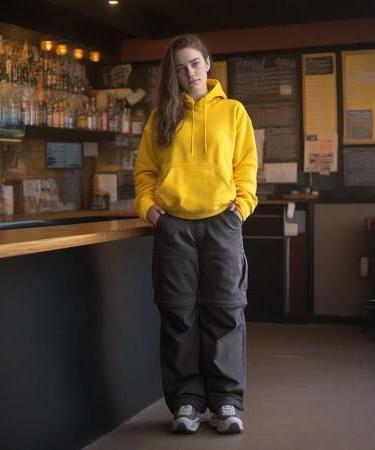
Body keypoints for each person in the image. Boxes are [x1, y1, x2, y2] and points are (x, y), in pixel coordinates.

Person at [134, 34, 258, 435]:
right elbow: (145, 173)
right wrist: (150, 209)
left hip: (223, 222)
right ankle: (186, 401)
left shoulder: (234, 113)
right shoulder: (161, 115)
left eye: (194, 63)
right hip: (174, 227)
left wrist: (240, 209)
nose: (188, 73)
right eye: (180, 67)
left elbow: (246, 169)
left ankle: (226, 403)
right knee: (178, 314)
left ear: (207, 63)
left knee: (225, 312)